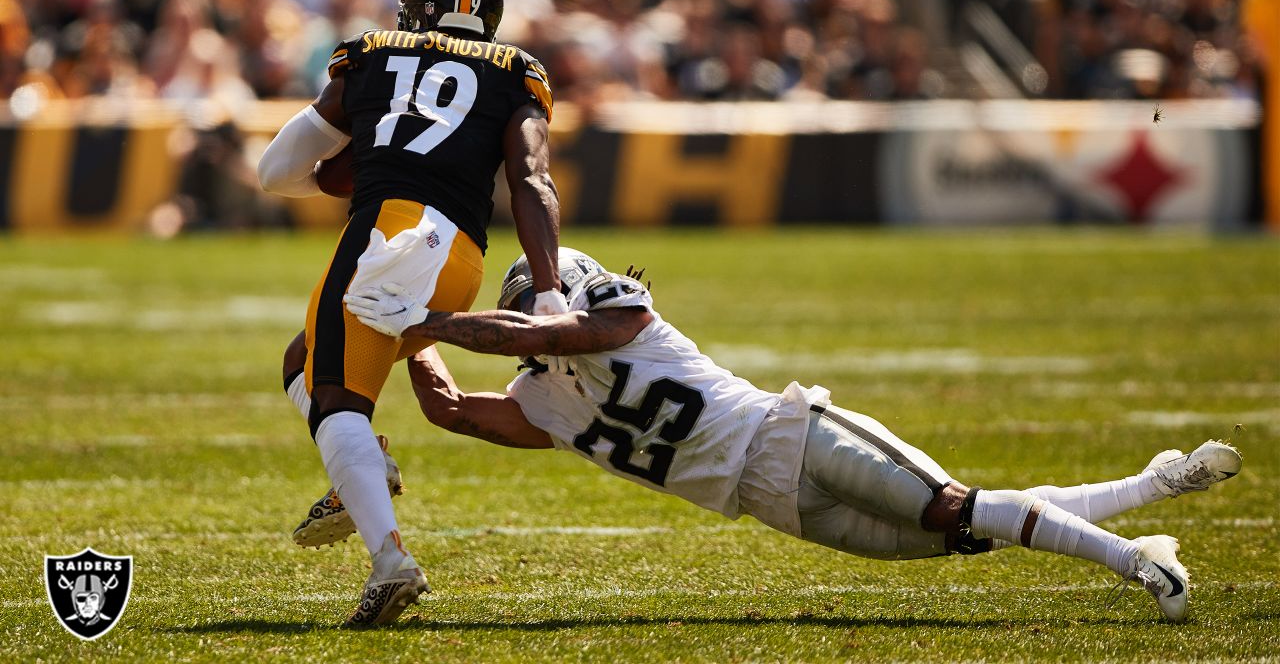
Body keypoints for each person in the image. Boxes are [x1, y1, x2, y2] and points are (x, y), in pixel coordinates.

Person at [322, 247, 1243, 623]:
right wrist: (408, 343)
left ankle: (1136, 564)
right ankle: (1151, 491)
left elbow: (561, 336)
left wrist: (433, 325)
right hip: (763, 504)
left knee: (951, 504)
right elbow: (449, 410)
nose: (532, 311)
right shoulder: (541, 401)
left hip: (790, 436)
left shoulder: (615, 319)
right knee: (961, 531)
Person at [256, 0, 566, 627]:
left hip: (388, 232)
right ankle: (367, 466)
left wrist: (340, 175)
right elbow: (532, 181)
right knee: (302, 360)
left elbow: (275, 170)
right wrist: (549, 293)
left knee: (336, 399)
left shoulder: (372, 54)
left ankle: (389, 560)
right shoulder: (517, 72)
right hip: (459, 260)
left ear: (419, 10)